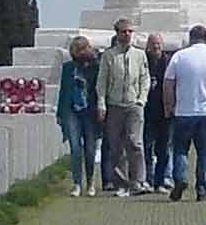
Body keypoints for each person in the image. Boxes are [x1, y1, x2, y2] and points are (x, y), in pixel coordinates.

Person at [164, 25, 206, 201]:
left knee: (180, 150)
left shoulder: (179, 57)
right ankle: (202, 189)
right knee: (205, 152)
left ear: (191, 38)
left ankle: (180, 179)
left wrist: (169, 106)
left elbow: (168, 83)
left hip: (183, 112)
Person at [95, 21, 149, 195]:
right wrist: (101, 103)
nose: (127, 34)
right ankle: (121, 184)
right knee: (116, 146)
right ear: (117, 33)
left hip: (134, 105)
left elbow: (144, 79)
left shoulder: (140, 55)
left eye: (130, 31)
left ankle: (138, 181)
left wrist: (142, 100)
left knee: (135, 143)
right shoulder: (108, 56)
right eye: (124, 31)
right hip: (114, 105)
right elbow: (101, 81)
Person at [55, 34, 103, 196]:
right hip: (72, 110)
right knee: (75, 148)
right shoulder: (68, 67)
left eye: (83, 49)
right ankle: (76, 183)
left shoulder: (95, 66)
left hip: (89, 111)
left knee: (90, 148)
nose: (81, 53)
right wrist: (60, 113)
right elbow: (63, 90)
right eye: (77, 50)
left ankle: (90, 182)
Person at [140, 37, 174, 194]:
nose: (156, 47)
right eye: (153, 44)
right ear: (147, 46)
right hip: (146, 111)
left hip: (164, 112)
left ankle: (160, 181)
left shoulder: (168, 62)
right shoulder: (142, 60)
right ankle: (147, 179)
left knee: (163, 149)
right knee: (145, 147)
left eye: (159, 44)